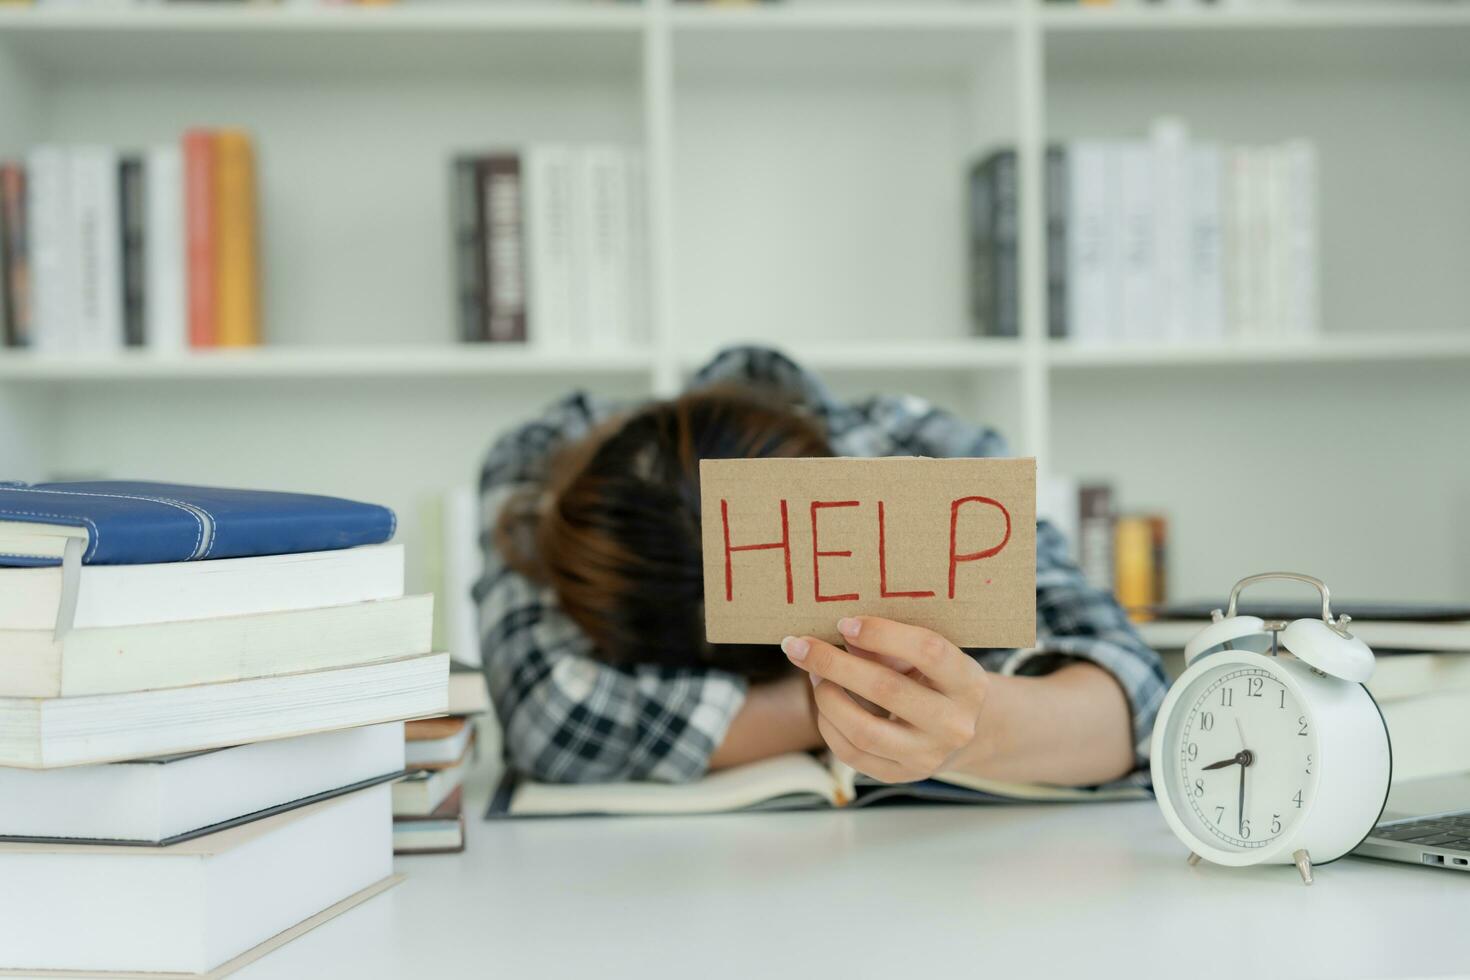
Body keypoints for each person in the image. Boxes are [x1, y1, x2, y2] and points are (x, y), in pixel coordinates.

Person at [475, 347, 1167, 789]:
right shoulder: (539, 471)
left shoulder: (915, 450)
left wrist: (970, 729)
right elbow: (547, 720)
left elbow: (1138, 701)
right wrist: (835, 704)